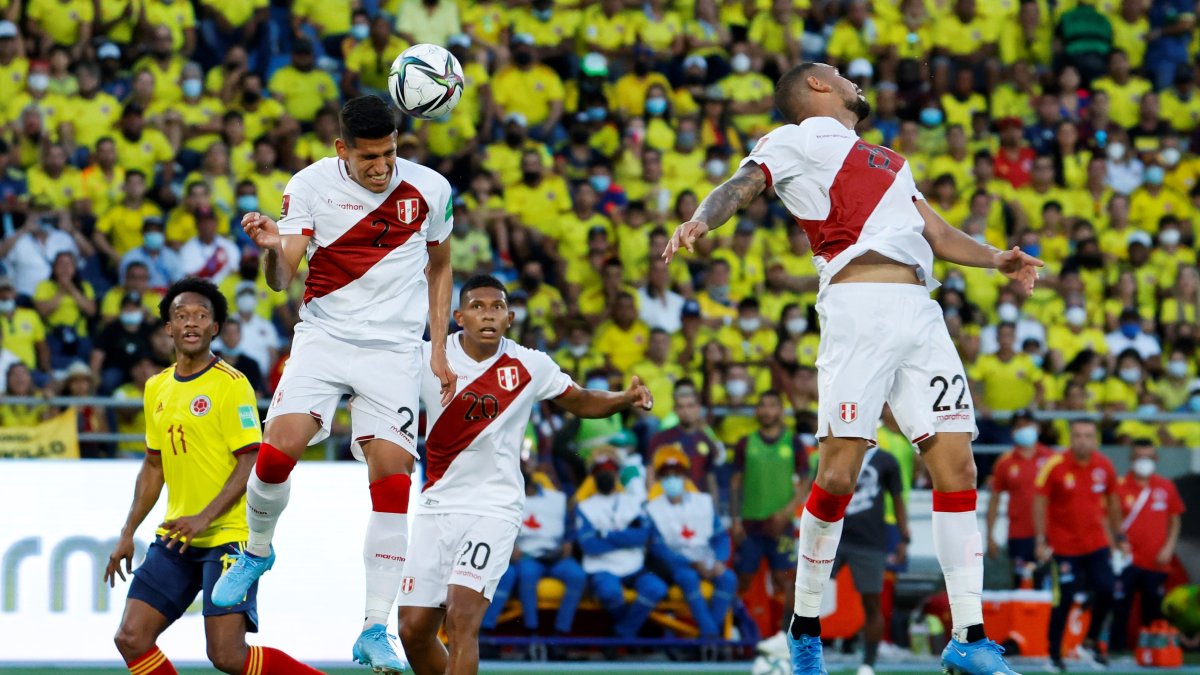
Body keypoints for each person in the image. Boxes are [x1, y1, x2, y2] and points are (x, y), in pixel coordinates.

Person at [662, 62, 1040, 674]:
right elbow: (740, 185)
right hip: (857, 307)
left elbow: (938, 233)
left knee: (958, 463)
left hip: (921, 310)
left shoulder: (888, 159)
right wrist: (702, 220)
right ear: (816, 88)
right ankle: (804, 627)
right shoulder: (796, 138)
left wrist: (997, 258)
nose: (850, 78)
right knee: (838, 474)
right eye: (837, 73)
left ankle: (968, 635)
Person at [212, 94, 457, 675]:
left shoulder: (430, 189)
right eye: (369, 156)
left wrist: (440, 349)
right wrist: (273, 250)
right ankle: (256, 552)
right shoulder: (310, 185)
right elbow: (282, 278)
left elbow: (441, 265)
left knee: (394, 475)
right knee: (275, 455)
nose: (382, 166)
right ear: (341, 149)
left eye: (391, 152)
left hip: (395, 351)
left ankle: (374, 627)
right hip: (323, 338)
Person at [397, 275, 653, 675]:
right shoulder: (430, 357)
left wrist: (623, 398)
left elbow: (582, 400)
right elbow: (381, 390)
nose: (488, 314)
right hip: (436, 506)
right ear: (459, 316)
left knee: (462, 620)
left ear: (510, 317)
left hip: (494, 508)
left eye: (496, 307)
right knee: (413, 631)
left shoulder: (529, 365)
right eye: (478, 307)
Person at [103, 278, 321, 675]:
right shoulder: (156, 387)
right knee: (130, 637)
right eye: (181, 315)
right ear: (168, 327)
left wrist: (204, 517)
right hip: (178, 535)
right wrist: (126, 531)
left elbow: (251, 460)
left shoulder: (231, 385)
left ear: (215, 328)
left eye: (202, 316)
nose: (191, 323)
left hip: (229, 535)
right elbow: (154, 465)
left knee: (227, 656)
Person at [1034, 418, 1128, 672]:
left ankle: (1091, 642)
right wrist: (1041, 539)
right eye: (1078, 435)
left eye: (1088, 435)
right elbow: (1040, 501)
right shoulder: (1054, 465)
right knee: (1063, 600)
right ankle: (1054, 655)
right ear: (1070, 438)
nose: (1083, 440)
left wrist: (1119, 538)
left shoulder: (1105, 466)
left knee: (1108, 590)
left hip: (1096, 543)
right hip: (1063, 547)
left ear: (1096, 439)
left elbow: (1113, 503)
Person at [481, 455, 586, 648]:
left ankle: (561, 633)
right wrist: (511, 548)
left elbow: (570, 527)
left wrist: (569, 542)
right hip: (528, 556)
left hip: (556, 555)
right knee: (527, 574)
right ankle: (532, 630)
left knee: (577, 576)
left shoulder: (556, 499)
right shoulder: (506, 500)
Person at [824, 438, 908, 675]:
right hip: (833, 534)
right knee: (807, 592)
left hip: (870, 539)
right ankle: (796, 653)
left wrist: (904, 536)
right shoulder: (835, 451)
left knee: (872, 603)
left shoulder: (885, 460)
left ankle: (868, 664)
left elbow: (897, 499)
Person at [730, 391, 807, 633]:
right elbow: (735, 483)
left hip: (781, 524)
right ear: (756, 411)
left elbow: (806, 481)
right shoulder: (746, 442)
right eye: (762, 406)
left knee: (784, 580)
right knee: (743, 579)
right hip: (751, 523)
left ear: (781, 411)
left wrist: (787, 512)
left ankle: (782, 635)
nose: (767, 410)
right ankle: (740, 633)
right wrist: (734, 519)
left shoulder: (793, 442)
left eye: (772, 405)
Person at [645, 447, 736, 639]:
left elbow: (721, 536)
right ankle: (711, 634)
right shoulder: (653, 508)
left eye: (676, 474)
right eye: (667, 475)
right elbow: (659, 549)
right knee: (688, 579)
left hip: (707, 559)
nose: (672, 479)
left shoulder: (702, 501)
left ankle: (708, 634)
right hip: (677, 565)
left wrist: (719, 560)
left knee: (728, 578)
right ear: (660, 480)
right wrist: (692, 564)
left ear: (685, 477)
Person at [578, 451, 669, 640]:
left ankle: (622, 633)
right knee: (610, 593)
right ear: (593, 477)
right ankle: (630, 633)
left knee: (656, 588)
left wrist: (606, 535)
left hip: (633, 565)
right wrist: (625, 537)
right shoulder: (584, 506)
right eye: (600, 472)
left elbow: (643, 536)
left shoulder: (632, 502)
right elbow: (590, 545)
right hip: (602, 566)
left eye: (609, 472)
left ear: (617, 475)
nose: (605, 476)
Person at [1110, 439, 1185, 653]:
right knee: (1121, 607)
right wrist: (1115, 545)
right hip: (1127, 560)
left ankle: (1154, 651)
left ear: (1156, 459)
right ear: (1131, 459)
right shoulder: (1119, 486)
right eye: (1139, 457)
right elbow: (1109, 519)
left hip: (1156, 561)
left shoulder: (1166, 486)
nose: (1144, 462)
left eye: (1149, 457)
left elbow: (1175, 520)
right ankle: (1116, 650)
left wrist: (1169, 548)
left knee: (1153, 609)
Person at [985, 410, 1054, 588]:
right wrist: (990, 535)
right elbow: (994, 500)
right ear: (1013, 431)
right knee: (1020, 585)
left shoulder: (1051, 459)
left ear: (1037, 428)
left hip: (1050, 532)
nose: (1023, 429)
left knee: (1048, 585)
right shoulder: (1005, 462)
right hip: (1019, 533)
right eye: (1019, 426)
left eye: (1027, 424)